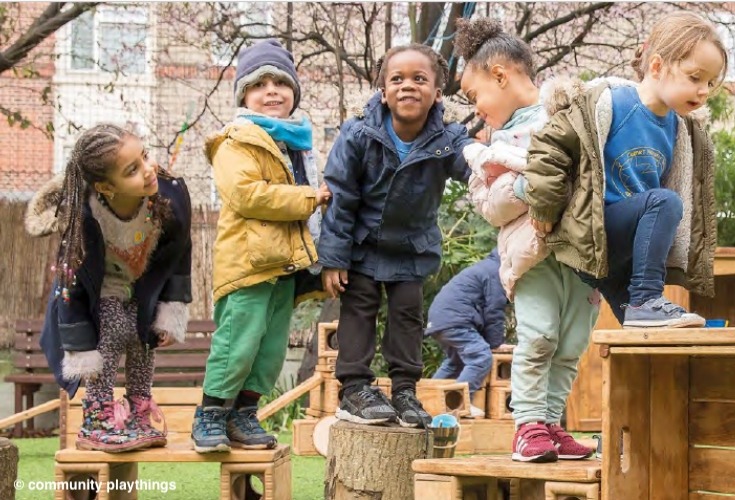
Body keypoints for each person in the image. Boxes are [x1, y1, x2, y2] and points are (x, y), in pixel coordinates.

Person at [521, 11, 727, 329]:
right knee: (665, 201)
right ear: (657, 66)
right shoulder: (610, 102)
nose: (703, 91)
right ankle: (646, 299)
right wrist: (546, 207)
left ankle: (645, 311)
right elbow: (549, 146)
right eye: (695, 77)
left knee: (647, 337)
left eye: (710, 83)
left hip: (623, 253)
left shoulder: (679, 128)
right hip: (594, 231)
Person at [456, 17, 601, 463]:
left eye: (474, 95)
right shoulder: (492, 145)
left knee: (573, 343)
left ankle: (552, 424)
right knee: (538, 337)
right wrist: (529, 189)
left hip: (581, 255)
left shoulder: (570, 113)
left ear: (500, 75)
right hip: (533, 258)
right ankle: (528, 426)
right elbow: (489, 204)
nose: (476, 108)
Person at [318, 43, 472, 429]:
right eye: (397, 79)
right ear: (383, 91)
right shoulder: (358, 133)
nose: (408, 86)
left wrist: (499, 161)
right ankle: (354, 388)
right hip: (361, 246)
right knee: (360, 307)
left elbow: (473, 164)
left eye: (420, 79)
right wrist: (334, 258)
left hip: (410, 249)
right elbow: (340, 196)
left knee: (407, 313)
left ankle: (405, 390)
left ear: (438, 93)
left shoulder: (448, 138)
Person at [191, 39, 330, 453]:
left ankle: (244, 414)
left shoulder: (298, 143)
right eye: (259, 84)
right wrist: (311, 198)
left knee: (270, 352)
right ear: (244, 96)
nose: (272, 91)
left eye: (280, 83)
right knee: (238, 343)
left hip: (284, 264)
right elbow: (248, 194)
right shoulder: (235, 140)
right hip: (249, 264)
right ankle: (211, 413)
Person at [27, 123, 193, 452]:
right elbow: (71, 287)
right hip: (98, 292)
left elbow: (180, 252)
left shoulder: (170, 195)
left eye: (145, 157)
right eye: (132, 170)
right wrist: (81, 349)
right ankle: (98, 416)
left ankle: (139, 410)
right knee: (115, 326)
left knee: (143, 335)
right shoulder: (85, 218)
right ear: (106, 185)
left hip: (142, 285)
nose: (148, 171)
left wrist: (171, 311)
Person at [425, 249, 510, 418]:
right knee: (481, 357)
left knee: (456, 363)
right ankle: (460, 404)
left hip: (441, 320)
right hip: (456, 320)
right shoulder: (497, 272)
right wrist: (496, 344)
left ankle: (427, 402)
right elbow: (493, 311)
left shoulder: (487, 267)